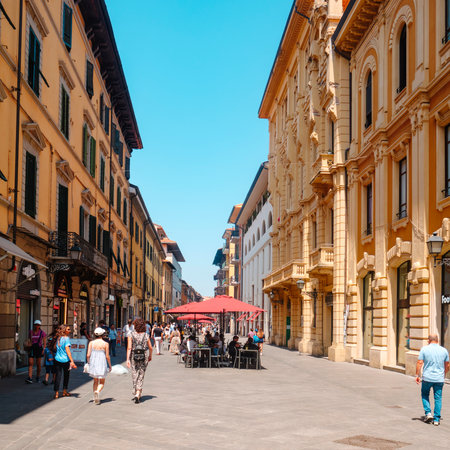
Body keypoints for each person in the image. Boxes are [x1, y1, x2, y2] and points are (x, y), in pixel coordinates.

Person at [416, 334, 450, 425]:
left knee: (425, 394)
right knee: (438, 398)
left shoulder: (424, 349)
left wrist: (417, 375)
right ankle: (436, 419)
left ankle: (428, 413)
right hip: (439, 378)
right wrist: (444, 374)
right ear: (437, 340)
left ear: (429, 340)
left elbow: (420, 362)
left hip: (427, 377)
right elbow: (447, 365)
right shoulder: (444, 350)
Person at [127, 318, 153, 403]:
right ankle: (138, 392)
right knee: (141, 374)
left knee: (134, 373)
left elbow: (129, 347)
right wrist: (150, 355)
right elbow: (150, 347)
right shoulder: (146, 335)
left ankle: (136, 390)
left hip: (134, 356)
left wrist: (127, 359)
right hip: (144, 355)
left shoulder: (131, 334)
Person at [87, 327, 112, 405]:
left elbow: (88, 355)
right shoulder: (105, 344)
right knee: (102, 381)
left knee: (95, 381)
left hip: (93, 362)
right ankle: (97, 391)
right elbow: (107, 356)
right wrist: (110, 365)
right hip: (102, 362)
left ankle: (95, 397)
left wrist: (89, 362)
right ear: (102, 334)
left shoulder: (91, 343)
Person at [53, 324, 77, 399]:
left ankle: (56, 393)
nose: (70, 331)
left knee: (58, 376)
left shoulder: (58, 338)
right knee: (66, 375)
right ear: (64, 330)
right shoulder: (66, 339)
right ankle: (64, 391)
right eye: (68, 329)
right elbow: (68, 350)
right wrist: (72, 361)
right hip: (65, 360)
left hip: (57, 359)